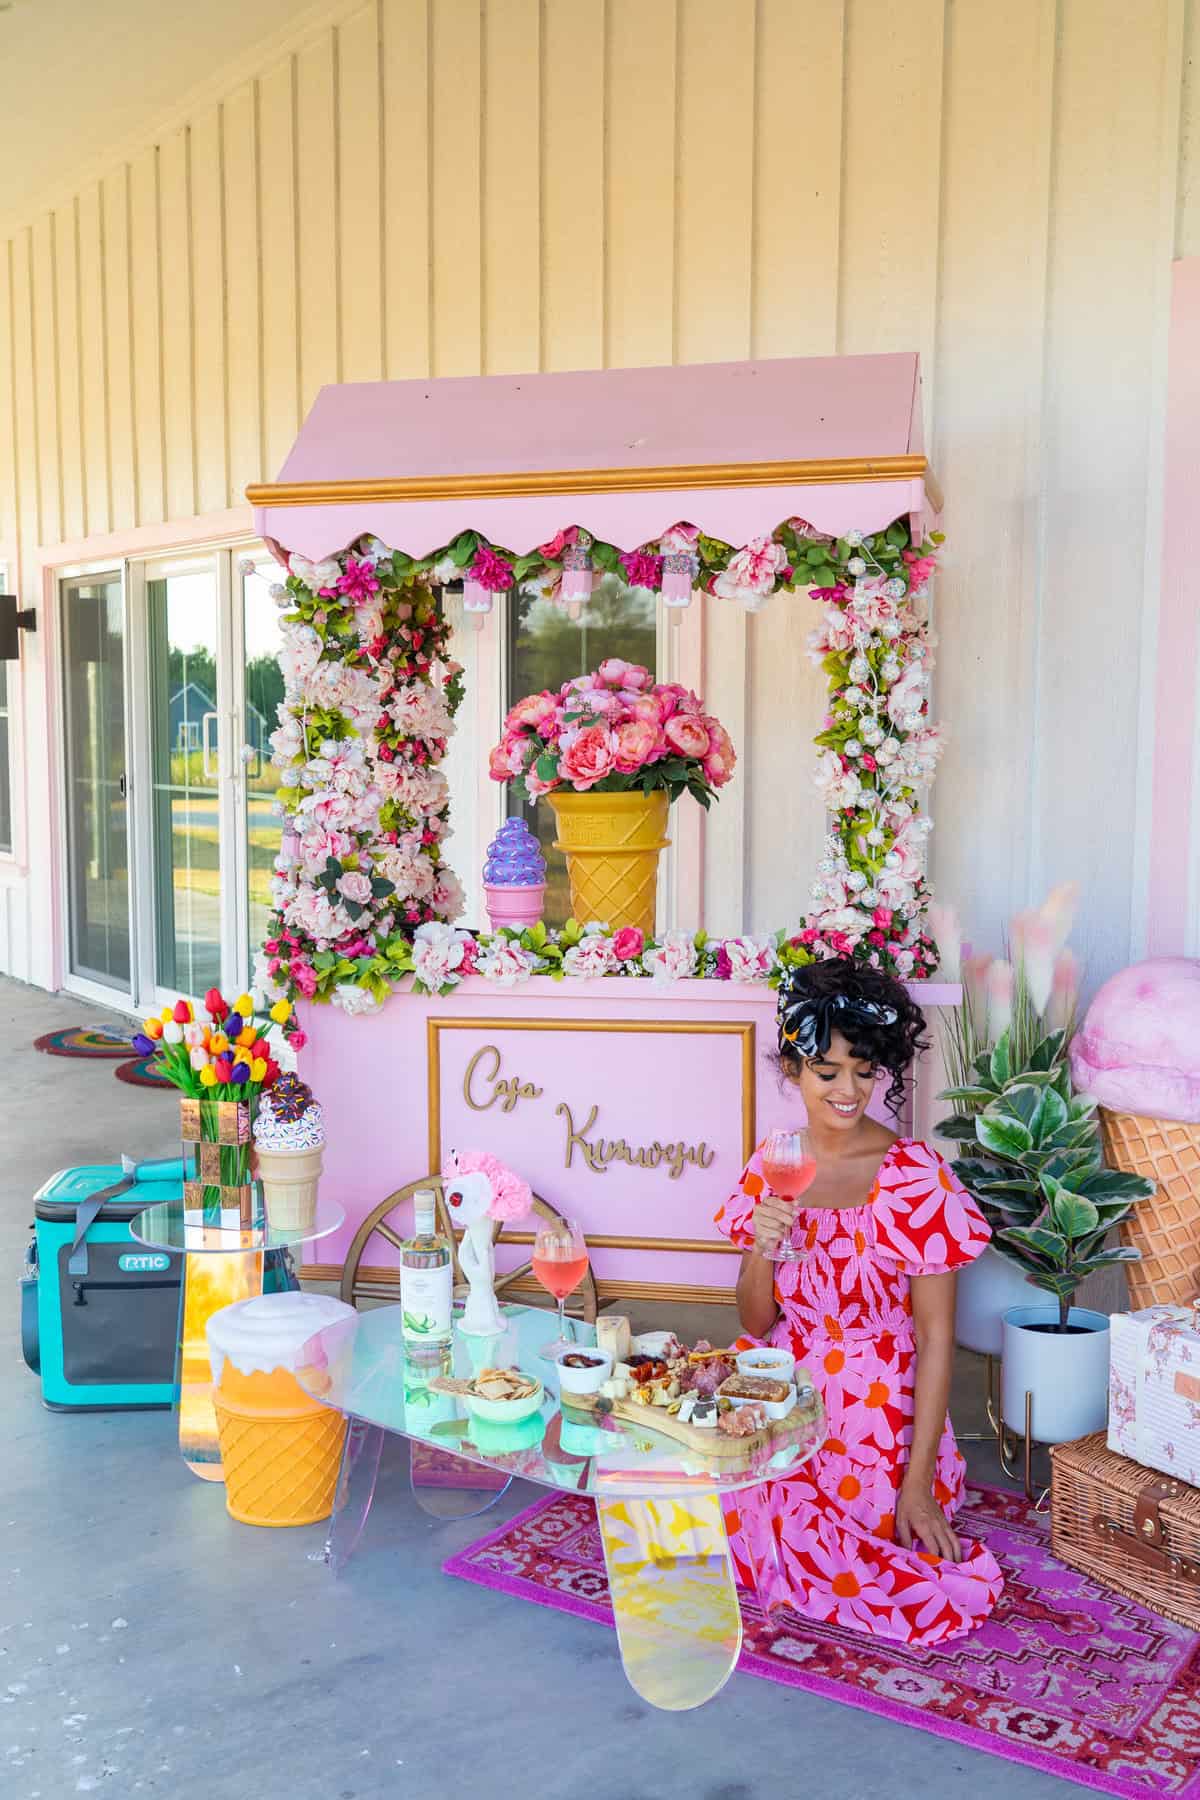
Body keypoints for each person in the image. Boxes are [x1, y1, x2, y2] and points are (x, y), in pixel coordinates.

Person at [714, 957, 1003, 1646]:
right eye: (827, 1072)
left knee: (846, 1540)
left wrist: (916, 1483)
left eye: (865, 1072)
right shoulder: (775, 1161)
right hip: (783, 1380)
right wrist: (763, 1243)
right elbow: (755, 1322)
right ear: (792, 1069)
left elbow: (936, 1340)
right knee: (709, 1494)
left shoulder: (914, 1175)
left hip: (879, 1404)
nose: (850, 1091)